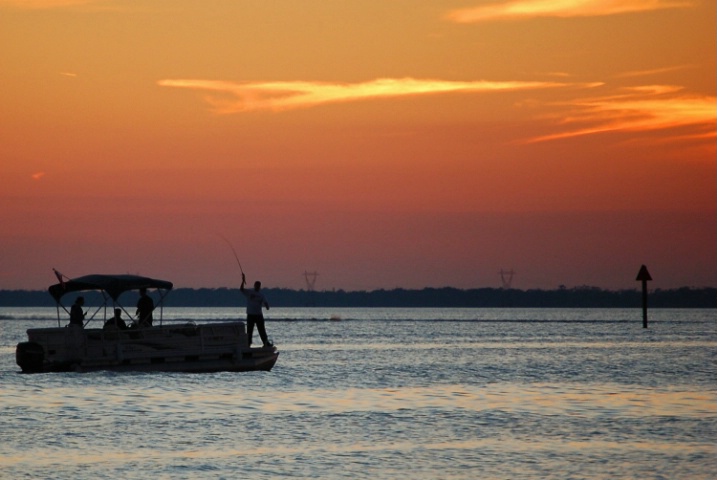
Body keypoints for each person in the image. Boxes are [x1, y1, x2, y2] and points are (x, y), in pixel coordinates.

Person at [240, 273, 272, 347]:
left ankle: (265, 343)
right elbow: (241, 289)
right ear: (254, 285)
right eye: (256, 285)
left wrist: (267, 306)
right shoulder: (249, 292)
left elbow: (265, 302)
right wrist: (243, 281)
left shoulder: (261, 295)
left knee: (262, 330)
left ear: (260, 286)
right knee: (249, 331)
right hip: (250, 315)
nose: (257, 287)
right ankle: (248, 344)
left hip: (258, 315)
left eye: (258, 286)